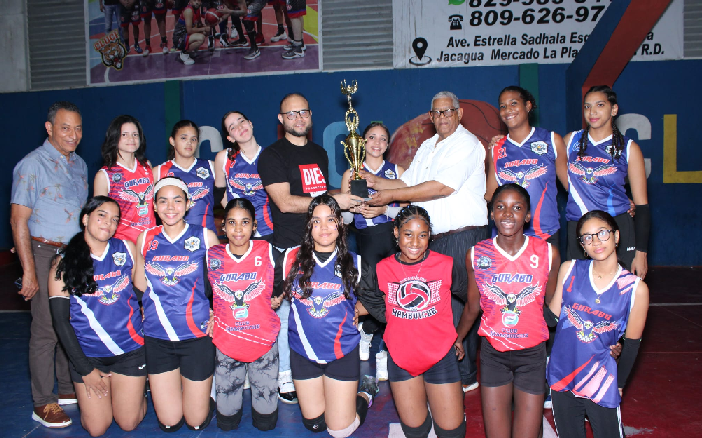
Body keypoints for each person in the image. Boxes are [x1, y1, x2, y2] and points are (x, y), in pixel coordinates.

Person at [364, 90, 488, 393]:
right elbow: (407, 184)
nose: (443, 116)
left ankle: (465, 376)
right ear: (431, 117)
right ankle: (444, 372)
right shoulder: (428, 146)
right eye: (437, 112)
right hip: (434, 240)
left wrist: (390, 196)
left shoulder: (467, 143)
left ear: (459, 113)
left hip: (463, 235)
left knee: (462, 306)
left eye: (448, 111)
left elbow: (441, 187)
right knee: (440, 308)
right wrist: (368, 178)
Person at [259, 92, 362, 404]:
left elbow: (316, 195)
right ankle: (286, 376)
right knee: (289, 311)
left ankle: (330, 366)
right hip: (291, 246)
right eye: (291, 114)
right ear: (281, 120)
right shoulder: (272, 155)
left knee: (327, 305)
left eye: (303, 112)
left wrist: (347, 197)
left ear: (311, 115)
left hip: (324, 246)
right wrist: (335, 202)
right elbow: (285, 202)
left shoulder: (319, 152)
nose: (298, 118)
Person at [459, 184, 560, 438]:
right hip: (494, 356)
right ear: (491, 213)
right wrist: (457, 338)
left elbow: (553, 309)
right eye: (500, 207)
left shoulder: (547, 253)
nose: (507, 214)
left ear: (527, 215)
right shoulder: (476, 254)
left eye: (517, 208)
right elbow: (473, 305)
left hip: (533, 355)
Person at [358, 205, 466, 438]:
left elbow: (473, 299)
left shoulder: (445, 264)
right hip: (401, 356)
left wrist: (461, 335)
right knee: (415, 431)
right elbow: (368, 301)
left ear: (430, 236)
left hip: (440, 355)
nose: (415, 242)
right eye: (408, 234)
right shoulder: (381, 268)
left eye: (423, 235)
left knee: (452, 433)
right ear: (396, 232)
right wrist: (392, 319)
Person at [11, 101, 87, 428]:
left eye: (78, 128)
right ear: (49, 128)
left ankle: (68, 389)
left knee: (68, 323)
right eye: (65, 127)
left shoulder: (81, 165)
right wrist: (29, 270)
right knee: (45, 329)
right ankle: (42, 402)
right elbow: (18, 220)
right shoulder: (31, 165)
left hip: (73, 255)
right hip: (44, 251)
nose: (73, 134)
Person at [48, 196, 147, 437]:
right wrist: (85, 369)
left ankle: (139, 389)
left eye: (114, 219)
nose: (108, 223)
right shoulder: (63, 263)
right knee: (96, 428)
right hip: (89, 356)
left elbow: (142, 292)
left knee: (127, 423)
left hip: (129, 351)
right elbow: (61, 322)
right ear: (85, 218)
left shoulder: (127, 249)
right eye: (101, 215)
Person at [282, 194, 378, 438]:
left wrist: (358, 310)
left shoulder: (355, 263)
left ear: (340, 224)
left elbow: (379, 303)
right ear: (309, 227)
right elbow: (269, 293)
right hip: (304, 353)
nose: (324, 227)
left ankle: (365, 393)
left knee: (340, 431)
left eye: (330, 220)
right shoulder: (290, 260)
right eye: (316, 221)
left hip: (341, 352)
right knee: (315, 425)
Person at [547, 210, 649, 438]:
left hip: (602, 378)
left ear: (616, 236)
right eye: (587, 237)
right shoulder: (569, 269)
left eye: (602, 233)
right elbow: (551, 318)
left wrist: (620, 384)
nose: (596, 241)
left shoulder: (635, 289)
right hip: (563, 373)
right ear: (582, 245)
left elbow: (632, 343)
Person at [133, 177, 220, 431]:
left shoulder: (205, 236)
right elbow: (139, 288)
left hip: (196, 335)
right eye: (163, 201)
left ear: (188, 203)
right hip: (158, 337)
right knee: (170, 423)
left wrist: (218, 313)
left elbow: (220, 283)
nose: (170, 207)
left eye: (177, 200)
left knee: (195, 422)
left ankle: (204, 398)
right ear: (154, 207)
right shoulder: (145, 238)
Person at [206, 198, 283, 431]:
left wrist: (278, 295)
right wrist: (210, 312)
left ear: (254, 226)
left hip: (263, 340)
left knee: (266, 423)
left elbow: (282, 280)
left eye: (244, 222)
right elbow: (205, 292)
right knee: (227, 423)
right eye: (232, 222)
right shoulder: (213, 256)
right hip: (227, 342)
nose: (238, 229)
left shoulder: (267, 251)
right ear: (224, 227)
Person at [340, 122, 404, 379]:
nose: (376, 143)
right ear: (361, 142)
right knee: (369, 292)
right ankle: (366, 332)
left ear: (388, 145)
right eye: (371, 138)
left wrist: (383, 210)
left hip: (391, 240)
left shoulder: (396, 172)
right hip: (364, 241)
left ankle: (387, 349)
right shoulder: (351, 173)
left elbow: (407, 212)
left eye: (382, 139)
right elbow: (343, 220)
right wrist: (351, 208)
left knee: (394, 294)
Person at [565, 85, 649, 279]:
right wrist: (503, 142)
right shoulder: (570, 141)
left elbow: (642, 205)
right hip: (579, 225)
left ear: (614, 109)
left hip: (616, 225)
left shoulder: (628, 148)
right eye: (587, 106)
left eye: (599, 105)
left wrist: (641, 252)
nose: (592, 112)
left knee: (620, 296)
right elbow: (538, 159)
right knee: (580, 297)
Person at [486, 86, 568, 245]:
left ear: (528, 106)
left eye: (513, 103)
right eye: (503, 106)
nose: (508, 110)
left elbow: (572, 186)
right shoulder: (496, 148)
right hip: (506, 235)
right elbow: (490, 195)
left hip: (544, 233)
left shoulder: (551, 140)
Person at [94, 115, 156, 244]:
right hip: (121, 243)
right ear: (114, 137)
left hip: (149, 240)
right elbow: (97, 217)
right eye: (124, 134)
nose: (131, 139)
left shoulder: (147, 166)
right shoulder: (105, 175)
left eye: (135, 134)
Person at [215, 111, 273, 239]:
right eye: (233, 127)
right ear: (230, 138)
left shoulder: (271, 156)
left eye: (241, 121)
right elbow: (219, 191)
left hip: (269, 230)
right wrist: (234, 213)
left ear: (250, 124)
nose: (240, 127)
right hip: (239, 232)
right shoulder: (223, 158)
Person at [154, 120, 216, 233]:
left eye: (193, 139)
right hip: (172, 242)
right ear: (172, 141)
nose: (189, 143)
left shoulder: (211, 167)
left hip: (206, 239)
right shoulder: (158, 172)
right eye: (184, 138)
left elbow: (228, 198)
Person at [173, 0, 208, 65]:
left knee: (204, 33)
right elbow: (189, 30)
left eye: (198, 0)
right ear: (190, 1)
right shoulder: (189, 11)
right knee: (200, 38)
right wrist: (203, 29)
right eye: (194, 0)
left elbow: (199, 25)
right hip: (179, 38)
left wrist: (209, 25)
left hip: (185, 35)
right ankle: (184, 53)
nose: (197, 2)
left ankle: (189, 51)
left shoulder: (197, 10)